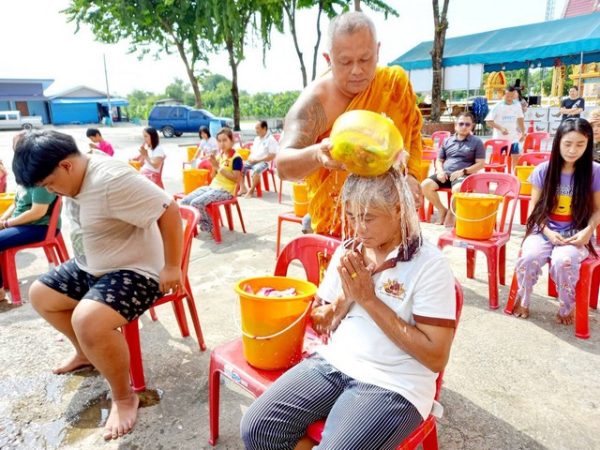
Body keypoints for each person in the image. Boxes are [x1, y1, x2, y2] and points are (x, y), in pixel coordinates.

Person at [241, 169, 457, 450]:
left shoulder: (429, 264)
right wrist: (345, 298)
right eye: (352, 217)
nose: (358, 228)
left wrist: (369, 299)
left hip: (395, 383)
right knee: (258, 428)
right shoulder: (349, 252)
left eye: (368, 218)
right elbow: (319, 322)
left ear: (398, 210)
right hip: (334, 362)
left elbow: (436, 357)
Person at [12, 130, 183, 440]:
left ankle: (123, 396)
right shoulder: (72, 179)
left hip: (136, 270)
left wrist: (172, 266)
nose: (50, 191)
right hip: (92, 264)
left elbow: (168, 208)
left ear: (66, 166)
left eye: (49, 184)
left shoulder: (110, 179)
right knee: (40, 293)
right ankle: (86, 353)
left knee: (88, 321)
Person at [275, 11, 423, 238]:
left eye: (365, 59)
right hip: (338, 227)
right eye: (345, 62)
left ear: (378, 51)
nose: (357, 70)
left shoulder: (394, 84)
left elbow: (412, 132)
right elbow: (283, 166)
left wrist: (412, 176)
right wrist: (317, 154)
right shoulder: (315, 104)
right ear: (329, 59)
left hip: (392, 220)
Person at [512, 118, 600, 325]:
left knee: (563, 261)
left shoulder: (594, 171)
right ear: (558, 142)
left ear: (588, 144)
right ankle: (523, 299)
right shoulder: (544, 169)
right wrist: (548, 232)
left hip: (576, 233)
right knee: (529, 257)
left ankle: (566, 305)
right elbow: (533, 208)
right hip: (543, 230)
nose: (572, 150)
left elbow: (597, 210)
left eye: (580, 144)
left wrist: (589, 229)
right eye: (567, 144)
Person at [0, 160, 58, 302]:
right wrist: (2, 220)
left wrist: (6, 224)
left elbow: (37, 212)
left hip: (40, 227)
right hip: (22, 224)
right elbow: (15, 204)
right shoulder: (24, 179)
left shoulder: (40, 179)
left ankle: (0, 292)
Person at [421, 112, 485, 227]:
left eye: (467, 124)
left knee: (458, 188)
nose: (464, 127)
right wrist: (440, 171)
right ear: (456, 126)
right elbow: (439, 160)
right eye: (461, 124)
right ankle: (441, 210)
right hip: (445, 174)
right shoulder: (447, 141)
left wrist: (463, 171)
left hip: (463, 175)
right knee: (425, 185)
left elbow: (480, 164)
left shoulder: (477, 142)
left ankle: (451, 212)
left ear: (472, 126)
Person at [181, 127, 243, 235]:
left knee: (196, 203)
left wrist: (218, 167)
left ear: (232, 141)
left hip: (226, 191)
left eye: (225, 140)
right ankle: (200, 224)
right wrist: (213, 166)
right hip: (213, 187)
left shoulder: (236, 158)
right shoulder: (220, 155)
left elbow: (236, 178)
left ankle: (212, 227)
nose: (222, 144)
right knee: (184, 202)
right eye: (219, 141)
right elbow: (213, 175)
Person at [485, 85, 526, 170]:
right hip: (499, 139)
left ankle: (514, 177)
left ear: (514, 95)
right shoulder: (497, 106)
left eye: (511, 96)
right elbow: (488, 121)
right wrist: (501, 128)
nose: (509, 98)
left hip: (513, 138)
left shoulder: (517, 105)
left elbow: (520, 119)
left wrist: (523, 132)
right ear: (504, 95)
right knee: (498, 161)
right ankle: (499, 177)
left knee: (515, 157)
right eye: (507, 96)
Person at [239, 120, 279, 198]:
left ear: (264, 128)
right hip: (253, 160)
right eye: (255, 128)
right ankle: (243, 187)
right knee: (239, 166)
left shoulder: (271, 139)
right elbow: (252, 152)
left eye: (258, 128)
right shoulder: (257, 139)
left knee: (256, 170)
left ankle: (251, 190)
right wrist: (250, 157)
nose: (256, 130)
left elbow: (272, 156)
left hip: (264, 162)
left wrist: (257, 160)